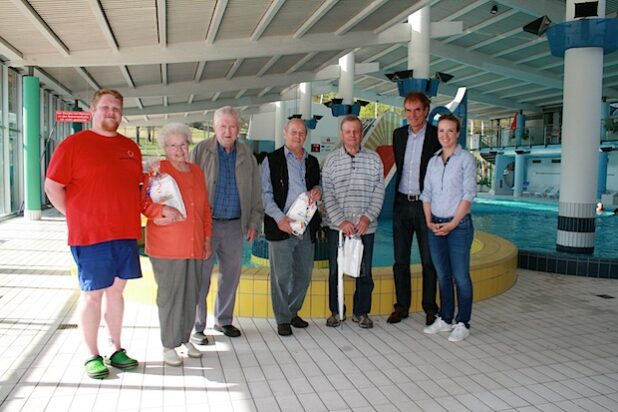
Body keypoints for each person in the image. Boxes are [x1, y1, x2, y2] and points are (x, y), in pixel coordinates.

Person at [45, 89, 142, 379]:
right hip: (90, 236)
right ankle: (91, 354)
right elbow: (52, 187)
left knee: (116, 292)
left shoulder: (130, 148)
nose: (110, 112)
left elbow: (136, 188)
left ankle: (116, 348)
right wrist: (76, 217)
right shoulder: (73, 145)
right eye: (105, 107)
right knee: (92, 295)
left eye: (116, 108)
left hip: (124, 233)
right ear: (92, 111)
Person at [190, 106, 263, 340]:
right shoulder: (201, 151)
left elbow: (256, 192)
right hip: (206, 225)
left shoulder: (247, 155)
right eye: (223, 126)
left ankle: (223, 320)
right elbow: (188, 188)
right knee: (200, 277)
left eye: (232, 126)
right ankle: (197, 326)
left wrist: (253, 222)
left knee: (230, 275)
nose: (228, 130)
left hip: (234, 225)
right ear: (215, 127)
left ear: (239, 128)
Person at [142, 123, 212, 366]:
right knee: (171, 296)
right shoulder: (157, 170)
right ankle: (168, 344)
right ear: (165, 147)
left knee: (191, 294)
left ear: (189, 144)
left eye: (182, 144)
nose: (179, 149)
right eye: (173, 145)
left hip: (193, 244)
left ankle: (183, 337)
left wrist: (206, 238)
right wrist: (161, 209)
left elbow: (204, 209)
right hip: (167, 246)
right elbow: (143, 203)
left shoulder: (196, 171)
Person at [322, 115, 385, 329]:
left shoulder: (374, 159)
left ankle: (362, 312)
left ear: (362, 133)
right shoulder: (331, 161)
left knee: (365, 271)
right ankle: (336, 311)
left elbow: (379, 191)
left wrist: (367, 218)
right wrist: (341, 221)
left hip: (366, 227)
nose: (353, 135)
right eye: (348, 131)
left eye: (357, 131)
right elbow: (327, 194)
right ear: (342, 134)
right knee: (335, 271)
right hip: (337, 228)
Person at [261, 119, 322, 336]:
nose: (298, 136)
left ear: (305, 136)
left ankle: (292, 311)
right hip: (281, 226)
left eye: (302, 133)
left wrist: (317, 190)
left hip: (305, 227)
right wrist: (280, 219)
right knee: (281, 275)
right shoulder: (272, 160)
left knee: (304, 274)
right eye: (294, 132)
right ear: (285, 133)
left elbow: (317, 185)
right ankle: (282, 318)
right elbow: (265, 194)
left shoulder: (312, 161)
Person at [421, 114, 476, 342]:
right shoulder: (433, 161)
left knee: (460, 276)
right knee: (442, 275)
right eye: (441, 131)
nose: (445, 135)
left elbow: (468, 194)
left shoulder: (466, 160)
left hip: (459, 225)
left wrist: (453, 223)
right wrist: (428, 221)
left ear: (457, 133)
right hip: (435, 223)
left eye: (450, 131)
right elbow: (427, 194)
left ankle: (463, 322)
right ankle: (445, 318)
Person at [388, 91, 441, 326]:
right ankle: (402, 307)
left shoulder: (436, 135)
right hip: (401, 204)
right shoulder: (398, 135)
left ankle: (430, 307)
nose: (413, 115)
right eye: (408, 110)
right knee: (400, 260)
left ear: (426, 110)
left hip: (425, 205)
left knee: (429, 260)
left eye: (417, 110)